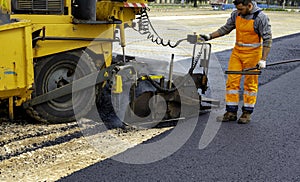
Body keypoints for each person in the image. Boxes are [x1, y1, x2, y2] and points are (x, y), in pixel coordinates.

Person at [200, 0, 272, 124]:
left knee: (250, 85)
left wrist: (263, 59)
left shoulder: (261, 18)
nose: (238, 12)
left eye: (241, 9)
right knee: (232, 82)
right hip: (237, 53)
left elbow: (267, 39)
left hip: (253, 55)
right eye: (237, 9)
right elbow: (226, 29)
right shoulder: (236, 15)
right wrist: (209, 36)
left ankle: (247, 113)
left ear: (249, 6)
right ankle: (231, 112)